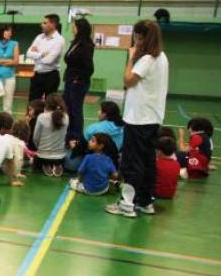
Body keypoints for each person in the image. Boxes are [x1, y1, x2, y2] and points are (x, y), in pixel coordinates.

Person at [106, 21, 169, 218]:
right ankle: (145, 201)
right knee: (148, 161)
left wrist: (131, 57)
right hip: (152, 117)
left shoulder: (147, 59)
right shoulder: (162, 57)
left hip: (138, 119)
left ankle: (126, 204)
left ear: (141, 37)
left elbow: (128, 80)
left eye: (137, 36)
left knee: (132, 162)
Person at [63, 18, 95, 141]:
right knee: (68, 108)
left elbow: (89, 68)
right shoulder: (75, 43)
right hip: (70, 80)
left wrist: (79, 79)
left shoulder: (86, 46)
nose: (72, 28)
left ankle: (77, 137)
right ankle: (69, 134)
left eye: (75, 26)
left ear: (80, 29)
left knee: (75, 110)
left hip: (78, 82)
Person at [26, 14, 65, 102]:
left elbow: (49, 60)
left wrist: (35, 54)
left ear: (53, 24)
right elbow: (28, 53)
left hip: (51, 76)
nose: (41, 25)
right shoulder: (39, 37)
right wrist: (41, 54)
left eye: (45, 23)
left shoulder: (59, 40)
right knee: (32, 103)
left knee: (50, 103)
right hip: (37, 75)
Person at [33, 93, 69, 177]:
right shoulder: (66, 117)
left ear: (47, 104)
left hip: (42, 155)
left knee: (38, 159)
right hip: (60, 156)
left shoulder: (41, 117)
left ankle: (46, 164)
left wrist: (39, 148)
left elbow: (35, 137)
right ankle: (57, 164)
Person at [0, 25, 20, 112]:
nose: (9, 33)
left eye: (10, 31)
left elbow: (16, 61)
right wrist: (8, 61)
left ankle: (7, 120)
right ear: (1, 32)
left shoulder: (15, 44)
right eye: (7, 31)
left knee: (8, 104)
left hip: (9, 76)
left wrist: (0, 61)